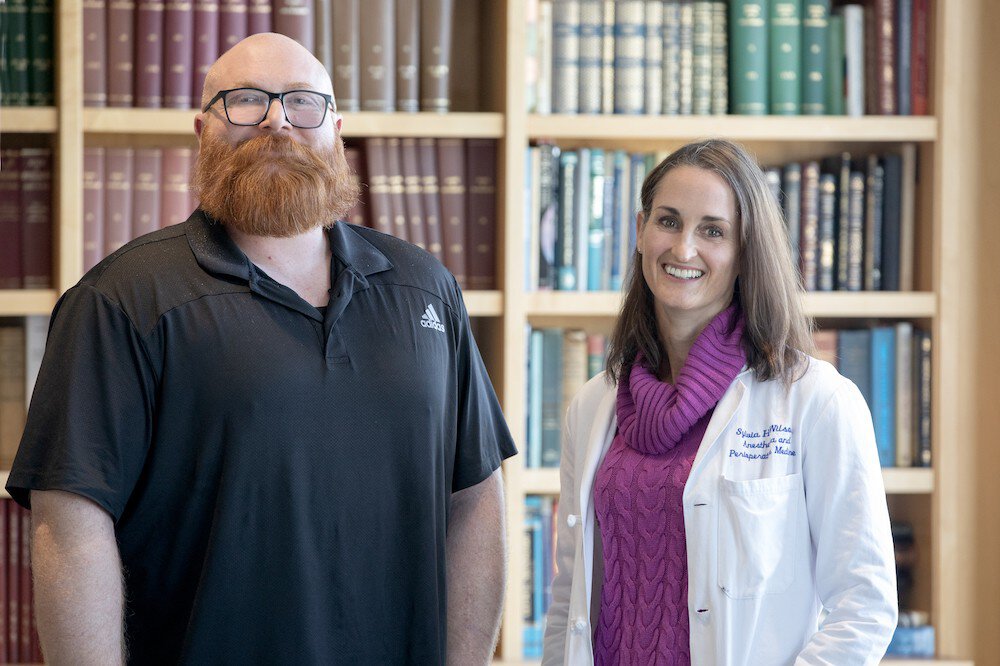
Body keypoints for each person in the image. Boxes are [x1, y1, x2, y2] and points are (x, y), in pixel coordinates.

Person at [7, 33, 516, 665]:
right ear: (203, 132)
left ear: (336, 131)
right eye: (245, 100)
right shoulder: (121, 301)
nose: (277, 120)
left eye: (303, 102)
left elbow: (475, 496)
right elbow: (69, 522)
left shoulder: (426, 288)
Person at [542, 139, 897, 665]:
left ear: (745, 252)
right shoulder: (594, 405)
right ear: (640, 230)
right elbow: (568, 599)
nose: (683, 249)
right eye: (668, 221)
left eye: (713, 231)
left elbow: (864, 607)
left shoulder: (816, 401)